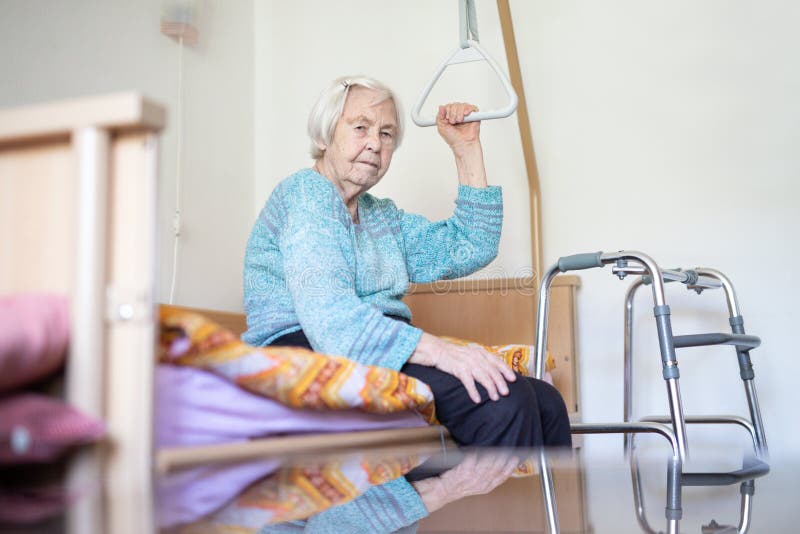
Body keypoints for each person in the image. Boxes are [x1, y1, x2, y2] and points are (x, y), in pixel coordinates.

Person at [243, 75, 570, 449]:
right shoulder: (306, 195)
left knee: (545, 402)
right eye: (360, 127)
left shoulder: (380, 216)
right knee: (501, 401)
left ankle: (546, 508)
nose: (374, 144)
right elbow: (332, 323)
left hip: (371, 349)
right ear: (323, 137)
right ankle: (480, 504)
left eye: (386, 134)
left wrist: (467, 150)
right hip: (306, 352)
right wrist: (444, 352)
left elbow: (470, 245)